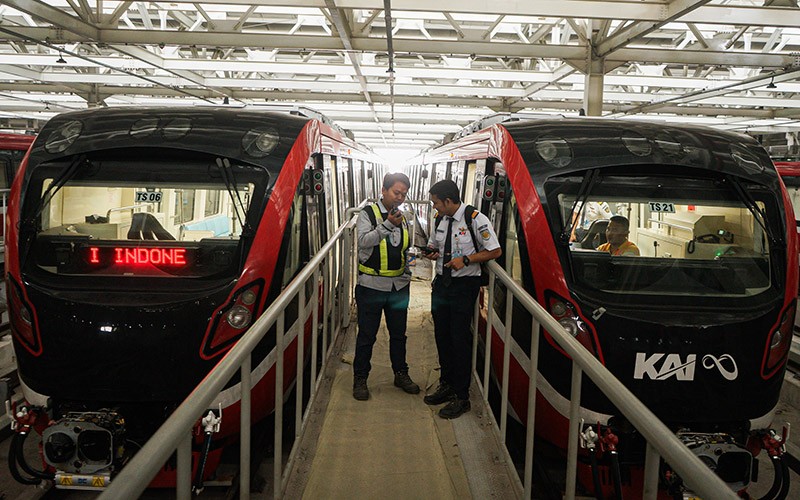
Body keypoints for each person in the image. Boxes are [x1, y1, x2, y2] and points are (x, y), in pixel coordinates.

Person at [422, 180, 501, 419]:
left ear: (448, 201)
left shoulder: (475, 219)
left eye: (436, 202)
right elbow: (435, 244)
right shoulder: (441, 220)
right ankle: (446, 383)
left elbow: (495, 250)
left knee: (459, 338)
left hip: (464, 287)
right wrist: (431, 252)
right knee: (442, 335)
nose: (434, 207)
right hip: (441, 286)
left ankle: (461, 395)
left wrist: (466, 260)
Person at [352, 172, 420, 401]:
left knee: (399, 334)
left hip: (398, 287)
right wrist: (388, 225)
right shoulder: (368, 214)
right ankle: (360, 378)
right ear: (383, 191)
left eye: (403, 194)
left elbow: (405, 247)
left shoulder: (404, 216)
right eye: (396, 192)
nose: (399, 198)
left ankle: (401, 373)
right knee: (367, 335)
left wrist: (409, 268)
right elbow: (363, 242)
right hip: (371, 286)